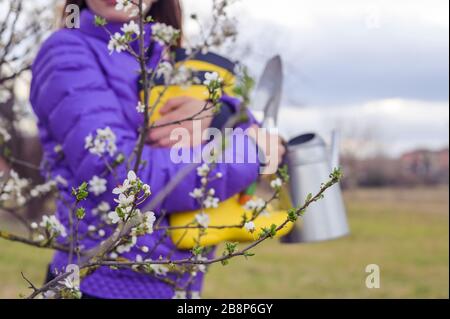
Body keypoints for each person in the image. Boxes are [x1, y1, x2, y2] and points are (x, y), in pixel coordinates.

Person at [31, 0, 285, 299]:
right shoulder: (66, 52)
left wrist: (216, 114)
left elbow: (251, 129)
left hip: (181, 288)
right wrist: (250, 154)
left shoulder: (166, 53)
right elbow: (125, 178)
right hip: (94, 286)